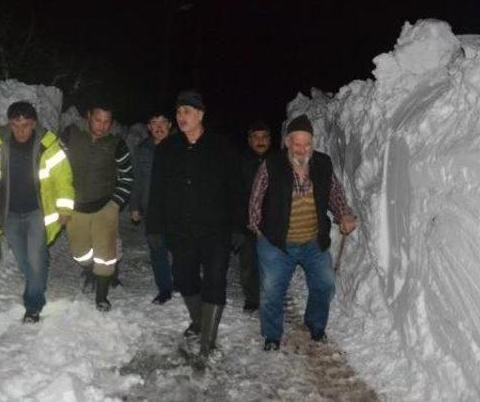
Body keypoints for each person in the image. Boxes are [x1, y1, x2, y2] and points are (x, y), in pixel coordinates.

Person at [146, 90, 244, 357]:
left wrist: (238, 226)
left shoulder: (221, 147)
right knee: (184, 278)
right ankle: (199, 321)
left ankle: (208, 339)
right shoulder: (168, 149)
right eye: (178, 112)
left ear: (201, 114)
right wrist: (154, 227)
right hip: (181, 230)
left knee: (214, 279)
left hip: (216, 230)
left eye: (187, 112)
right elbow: (157, 190)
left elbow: (236, 188)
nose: (181, 117)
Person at [248, 114, 357, 351]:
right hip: (277, 243)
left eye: (307, 144)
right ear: (287, 142)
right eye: (297, 144)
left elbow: (334, 195)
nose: (302, 149)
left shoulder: (323, 164)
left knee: (325, 285)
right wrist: (258, 230)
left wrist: (344, 214)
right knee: (272, 291)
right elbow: (256, 198)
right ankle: (272, 335)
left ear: (313, 143)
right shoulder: (272, 164)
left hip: (312, 241)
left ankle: (316, 325)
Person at [0, 101, 75, 323]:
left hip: (37, 213)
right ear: (9, 123)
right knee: (23, 260)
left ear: (34, 123)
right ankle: (38, 275)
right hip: (9, 213)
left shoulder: (48, 147)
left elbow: (63, 179)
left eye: (26, 125)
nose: (21, 131)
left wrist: (64, 208)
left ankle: (33, 304)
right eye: (15, 125)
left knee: (35, 258)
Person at [62, 102, 134, 312]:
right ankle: (89, 270)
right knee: (79, 252)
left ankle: (101, 296)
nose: (102, 126)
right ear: (88, 116)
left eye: (106, 122)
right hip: (76, 207)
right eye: (98, 120)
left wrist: (115, 204)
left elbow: (127, 177)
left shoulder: (116, 144)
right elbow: (56, 166)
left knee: (105, 254)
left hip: (105, 206)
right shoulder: (71, 135)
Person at [130, 111, 174, 305]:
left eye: (162, 122)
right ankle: (164, 288)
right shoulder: (142, 150)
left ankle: (183, 281)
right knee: (157, 250)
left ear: (170, 125)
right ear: (149, 127)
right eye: (154, 123)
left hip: (177, 208)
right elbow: (137, 180)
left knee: (182, 248)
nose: (158, 127)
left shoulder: (181, 147)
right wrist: (134, 206)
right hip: (152, 208)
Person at [239, 121, 272, 312]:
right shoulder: (240, 161)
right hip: (247, 223)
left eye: (264, 137)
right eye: (256, 137)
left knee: (271, 264)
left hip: (272, 223)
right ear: (249, 140)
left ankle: (270, 297)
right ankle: (252, 299)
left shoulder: (278, 160)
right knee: (248, 263)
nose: (260, 141)